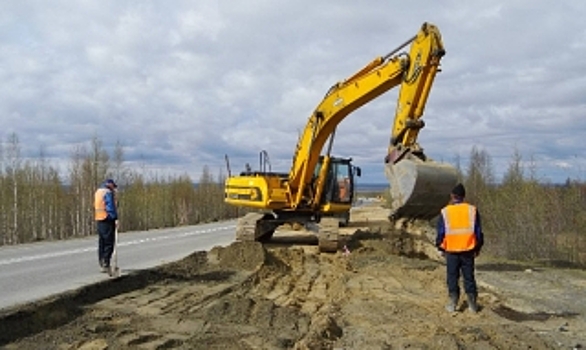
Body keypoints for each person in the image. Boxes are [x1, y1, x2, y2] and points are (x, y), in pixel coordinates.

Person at [436, 183, 484, 313]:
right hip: (468, 250)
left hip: (451, 250)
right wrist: (478, 247)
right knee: (469, 276)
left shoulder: (446, 211)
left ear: (452, 196)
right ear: (463, 196)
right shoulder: (472, 210)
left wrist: (440, 247)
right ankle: (472, 305)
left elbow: (441, 231)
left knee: (452, 276)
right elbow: (478, 231)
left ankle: (453, 303)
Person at [94, 178, 118, 273]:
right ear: (110, 185)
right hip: (107, 219)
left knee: (102, 242)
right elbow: (110, 207)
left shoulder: (98, 192)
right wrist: (115, 218)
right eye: (113, 187)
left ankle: (102, 261)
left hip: (99, 219)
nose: (114, 189)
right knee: (109, 243)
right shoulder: (107, 193)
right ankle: (106, 263)